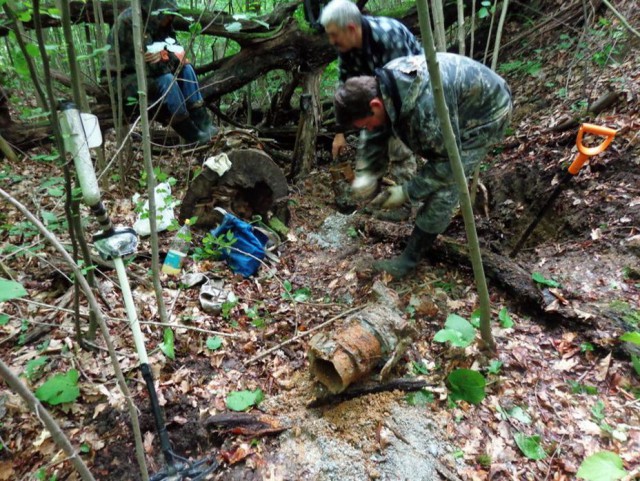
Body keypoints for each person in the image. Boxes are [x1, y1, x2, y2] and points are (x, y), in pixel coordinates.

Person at [334, 54, 513, 279]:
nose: (368, 130)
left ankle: (408, 261)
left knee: (446, 187)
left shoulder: (426, 110)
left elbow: (448, 163)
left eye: (366, 125)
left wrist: (407, 192)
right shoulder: (386, 83)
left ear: (375, 105)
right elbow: (389, 131)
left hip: (488, 111)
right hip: (461, 99)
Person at [319, 0, 422, 187]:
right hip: (377, 96)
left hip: (413, 94)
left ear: (350, 29)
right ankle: (371, 194)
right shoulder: (347, 47)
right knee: (368, 141)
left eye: (334, 35)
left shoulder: (388, 36)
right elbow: (345, 90)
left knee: (397, 145)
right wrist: (339, 132)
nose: (331, 41)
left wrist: (387, 127)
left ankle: (406, 201)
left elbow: (405, 90)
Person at [106, 0, 216, 145]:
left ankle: (204, 124)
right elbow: (152, 67)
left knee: (187, 69)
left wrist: (165, 56)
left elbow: (179, 56)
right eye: (168, 14)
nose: (171, 18)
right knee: (167, 80)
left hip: (151, 74)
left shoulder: (163, 23)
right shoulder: (130, 22)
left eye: (172, 15)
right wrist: (167, 57)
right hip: (124, 79)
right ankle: (192, 135)